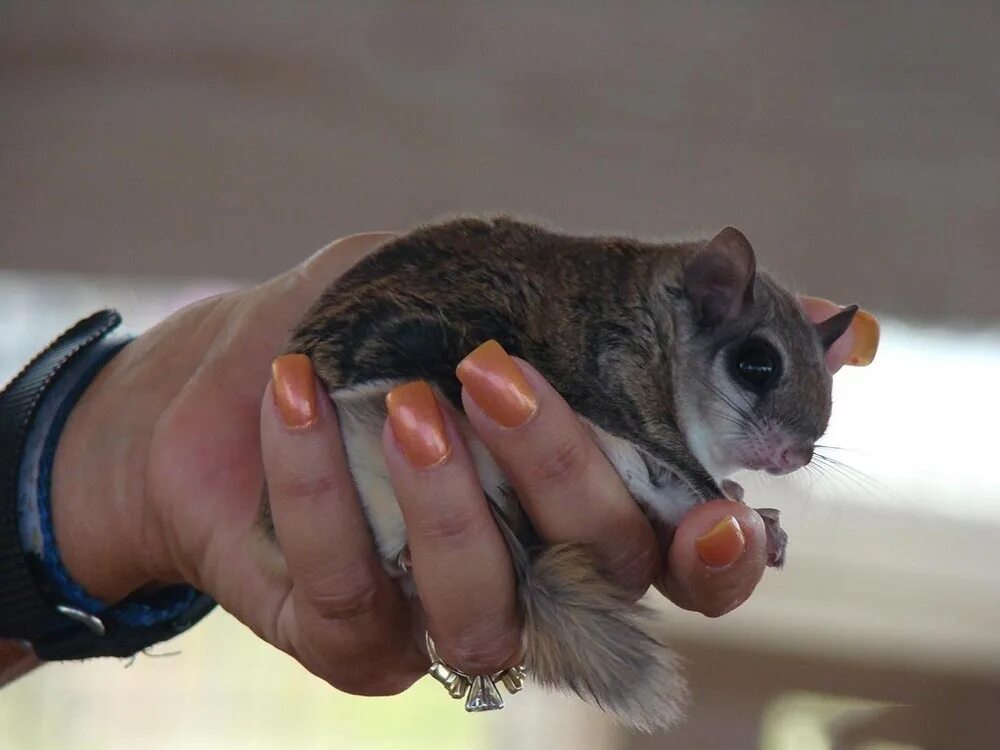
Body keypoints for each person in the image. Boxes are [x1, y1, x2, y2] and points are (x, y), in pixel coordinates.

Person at [0, 232, 876, 697]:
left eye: (799, 442)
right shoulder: (630, 329)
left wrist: (112, 472)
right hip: (373, 400)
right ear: (708, 298)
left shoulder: (650, 379)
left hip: (366, 439)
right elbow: (633, 440)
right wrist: (701, 504)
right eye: (755, 374)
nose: (783, 451)